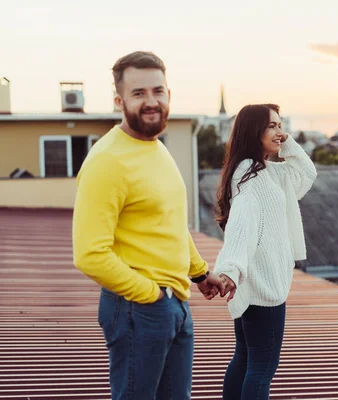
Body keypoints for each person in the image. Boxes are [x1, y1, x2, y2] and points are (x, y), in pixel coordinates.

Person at [72, 50, 226, 400]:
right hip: (139, 307)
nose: (151, 101)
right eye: (138, 93)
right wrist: (151, 297)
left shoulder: (157, 148)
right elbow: (89, 254)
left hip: (176, 305)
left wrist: (200, 274)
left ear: (169, 95)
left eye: (158, 91)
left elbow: (170, 224)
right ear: (119, 101)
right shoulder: (107, 160)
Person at [213, 103, 317, 399]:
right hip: (264, 287)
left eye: (281, 125)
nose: (280, 132)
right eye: (272, 126)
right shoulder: (252, 178)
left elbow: (307, 172)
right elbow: (240, 227)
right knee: (262, 366)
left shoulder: (266, 172)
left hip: (259, 283)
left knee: (246, 359)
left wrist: (287, 141)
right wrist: (230, 270)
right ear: (253, 130)